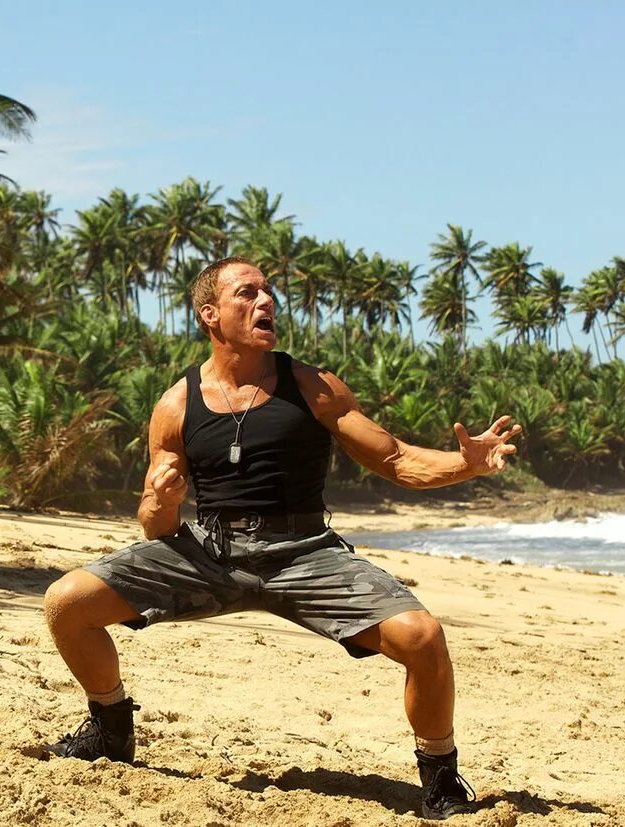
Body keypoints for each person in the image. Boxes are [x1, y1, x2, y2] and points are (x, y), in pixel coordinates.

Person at [40, 257, 521, 820]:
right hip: (211, 552)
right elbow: (157, 528)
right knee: (67, 603)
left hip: (306, 553)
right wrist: (159, 503)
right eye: (247, 293)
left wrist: (466, 465)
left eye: (268, 292)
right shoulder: (176, 405)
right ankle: (111, 728)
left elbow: (395, 459)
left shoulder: (311, 387)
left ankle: (439, 778)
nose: (266, 301)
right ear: (211, 315)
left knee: (422, 638)